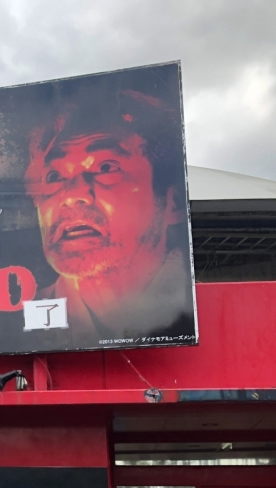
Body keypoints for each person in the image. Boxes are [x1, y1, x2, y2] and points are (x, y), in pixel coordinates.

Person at [24, 86, 193, 344]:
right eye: (54, 176)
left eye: (106, 167)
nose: (71, 195)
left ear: (174, 201)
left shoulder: (187, 307)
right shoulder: (18, 321)